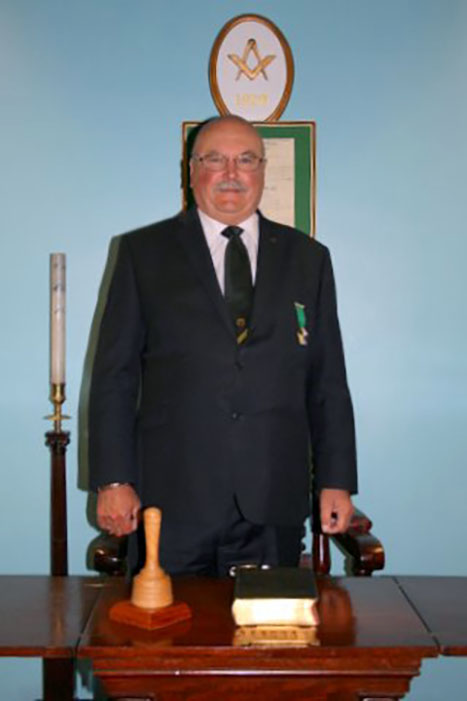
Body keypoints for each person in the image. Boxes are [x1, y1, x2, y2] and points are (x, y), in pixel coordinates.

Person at [89, 115, 357, 576]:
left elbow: (327, 381)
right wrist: (113, 480)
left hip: (273, 504)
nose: (231, 173)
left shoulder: (308, 259)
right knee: (167, 625)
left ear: (263, 171)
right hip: (170, 505)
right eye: (215, 159)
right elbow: (115, 377)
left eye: (246, 160)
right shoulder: (143, 253)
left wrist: (336, 480)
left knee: (265, 624)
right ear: (191, 171)